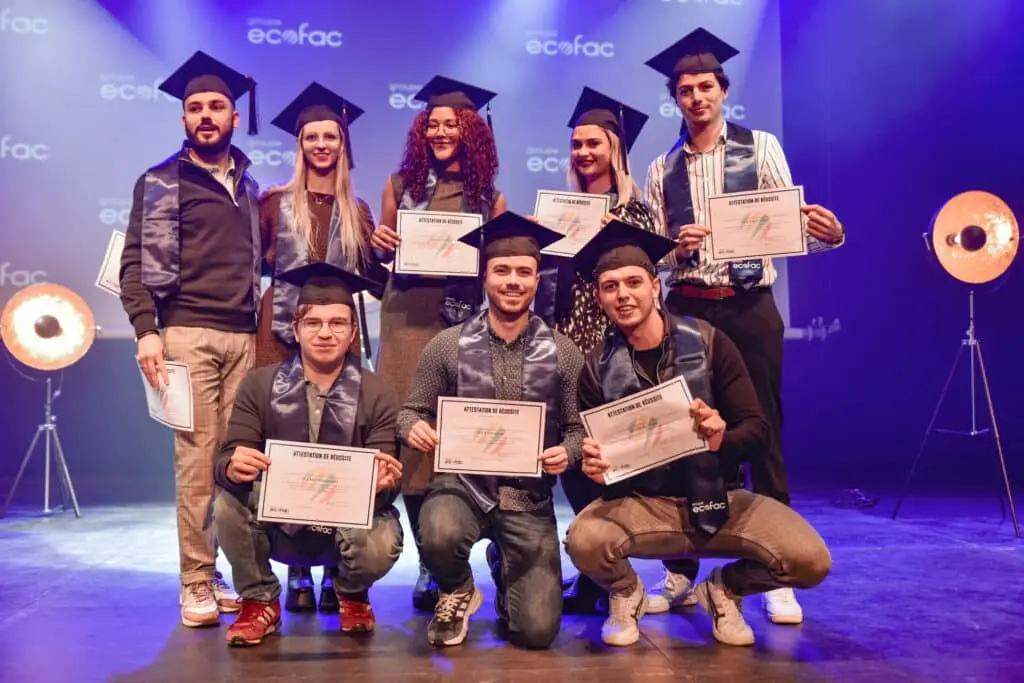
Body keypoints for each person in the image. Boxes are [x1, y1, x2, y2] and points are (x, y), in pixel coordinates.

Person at [641, 28, 845, 623]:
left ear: (723, 91)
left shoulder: (761, 148)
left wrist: (828, 238)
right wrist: (674, 252)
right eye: (685, 90)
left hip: (750, 306)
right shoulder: (661, 168)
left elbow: (789, 223)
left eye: (706, 86)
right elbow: (653, 258)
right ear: (675, 99)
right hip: (691, 310)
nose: (697, 97)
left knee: (764, 428)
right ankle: (680, 567)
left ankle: (775, 567)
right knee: (686, 433)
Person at [562, 220, 832, 647]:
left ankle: (724, 589)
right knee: (584, 540)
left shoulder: (709, 343)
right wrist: (596, 471)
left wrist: (722, 437)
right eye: (610, 287)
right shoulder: (595, 368)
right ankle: (626, 593)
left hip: (720, 499)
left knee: (809, 560)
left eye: (633, 282)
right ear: (599, 298)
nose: (623, 295)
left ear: (656, 286)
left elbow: (759, 433)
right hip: (646, 505)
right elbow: (600, 460)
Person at [118, 50, 263, 627]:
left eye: (217, 107)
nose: (206, 115)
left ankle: (226, 570)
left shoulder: (249, 187)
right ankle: (196, 581)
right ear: (183, 119)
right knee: (196, 463)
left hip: (245, 338)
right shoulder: (160, 182)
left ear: (232, 116)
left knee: (235, 463)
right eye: (195, 107)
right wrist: (147, 331)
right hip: (186, 337)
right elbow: (135, 265)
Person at [396, 213, 584, 649]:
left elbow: (576, 428)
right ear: (485, 277)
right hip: (460, 488)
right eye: (502, 271)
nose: (512, 281)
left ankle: (507, 566)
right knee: (439, 531)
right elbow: (410, 412)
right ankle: (458, 588)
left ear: (537, 280)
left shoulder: (562, 352)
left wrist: (568, 453)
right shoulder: (447, 344)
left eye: (524, 272)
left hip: (527, 498)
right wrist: (417, 429)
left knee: (536, 632)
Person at [368, 76, 508, 612]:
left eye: (452, 124)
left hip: (460, 320)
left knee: (458, 433)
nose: (441, 131)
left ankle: (459, 550)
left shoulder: (488, 196)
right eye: (433, 124)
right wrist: (382, 243)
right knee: (411, 433)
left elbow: (496, 265)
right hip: (405, 314)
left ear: (471, 131)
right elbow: (383, 251)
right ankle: (430, 559)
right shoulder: (400, 185)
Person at [212, 261, 404, 647]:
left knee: (383, 539)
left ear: (353, 331)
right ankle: (261, 600)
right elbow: (228, 457)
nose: (325, 333)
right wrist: (233, 467)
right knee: (227, 507)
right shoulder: (259, 384)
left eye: (337, 323)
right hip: (279, 523)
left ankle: (350, 590)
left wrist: (384, 482)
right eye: (313, 323)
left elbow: (385, 477)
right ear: (296, 329)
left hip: (346, 523)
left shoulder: (377, 391)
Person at [258, 81, 386, 614]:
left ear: (342, 143)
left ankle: (336, 564)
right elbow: (251, 265)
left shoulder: (357, 209)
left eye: (330, 136)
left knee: (338, 443)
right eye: (312, 136)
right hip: (278, 332)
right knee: (283, 441)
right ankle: (295, 568)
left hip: (341, 327)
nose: (321, 144)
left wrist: (384, 253)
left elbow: (376, 283)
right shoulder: (270, 203)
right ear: (300, 144)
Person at [533, 86, 660, 615]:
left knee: (610, 466)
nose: (584, 153)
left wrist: (618, 234)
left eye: (594, 143)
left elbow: (655, 282)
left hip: (616, 358)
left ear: (614, 148)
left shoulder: (640, 212)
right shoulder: (561, 210)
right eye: (577, 145)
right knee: (572, 460)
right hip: (566, 349)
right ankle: (593, 566)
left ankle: (614, 570)